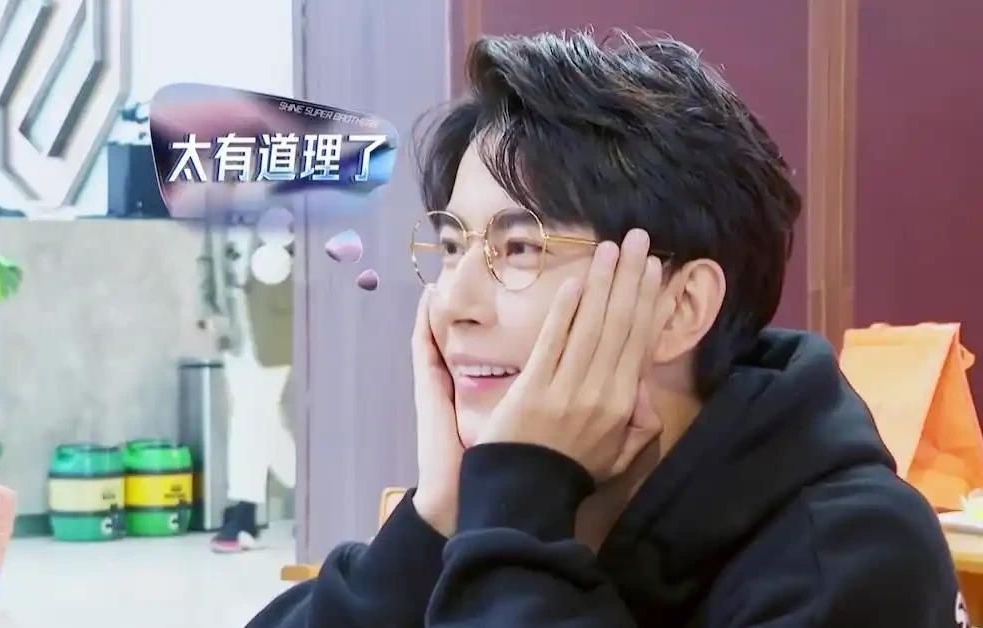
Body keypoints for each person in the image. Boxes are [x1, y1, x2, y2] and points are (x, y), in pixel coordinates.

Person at [248, 31, 964, 627]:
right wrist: (437, 517)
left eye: (519, 248)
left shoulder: (853, 555)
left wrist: (515, 518)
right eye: (454, 246)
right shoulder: (512, 498)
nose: (453, 301)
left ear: (680, 308)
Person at [198, 210, 296, 552]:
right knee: (260, 416)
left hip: (276, 323)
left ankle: (244, 513)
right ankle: (316, 492)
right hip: (233, 326)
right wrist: (208, 309)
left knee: (251, 413)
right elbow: (206, 257)